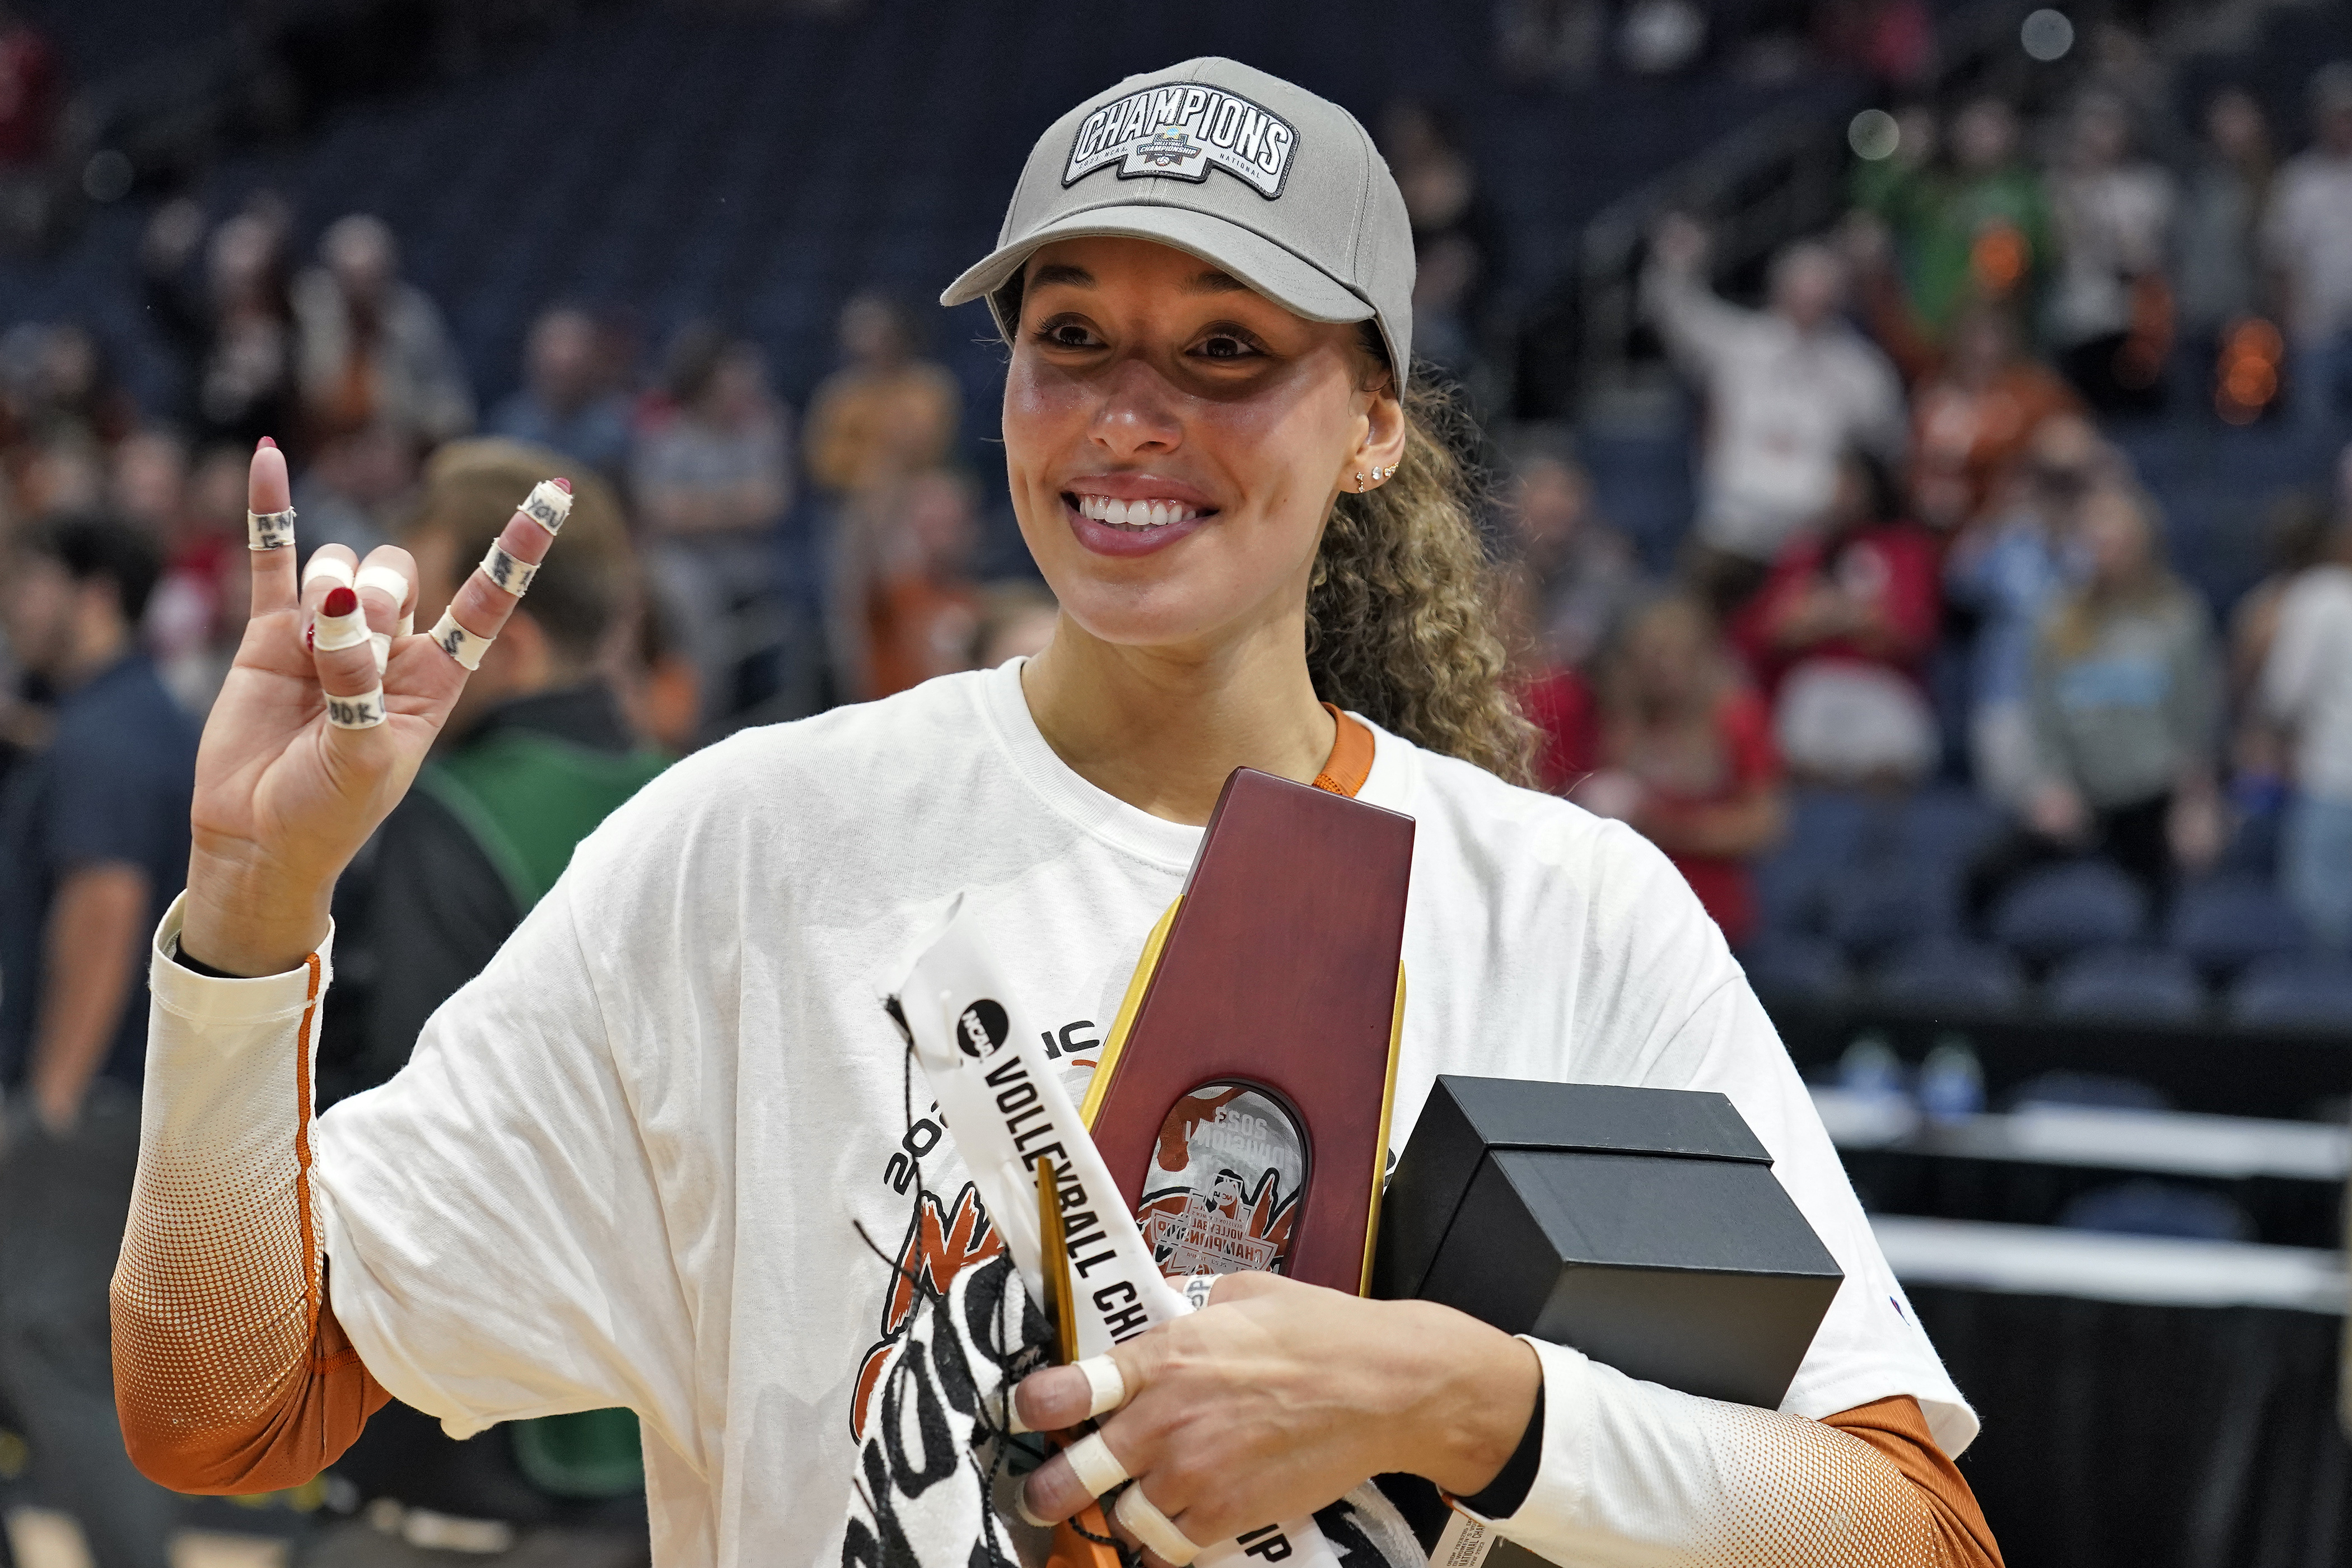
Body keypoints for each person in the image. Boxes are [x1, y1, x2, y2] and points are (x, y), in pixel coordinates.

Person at [113, 58, 1996, 1568]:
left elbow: (1912, 1531)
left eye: (1228, 353)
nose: (1124, 416)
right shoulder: (749, 853)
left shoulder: (1568, 911)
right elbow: (221, 1407)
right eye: (1070, 334)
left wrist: (1472, 1403)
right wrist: (250, 919)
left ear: (1372, 426)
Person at [309, 440, 662, 1562]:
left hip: (470, 1439)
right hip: (658, 1416)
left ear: (499, 628)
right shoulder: (699, 792)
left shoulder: (447, 819)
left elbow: (403, 1147)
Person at [0, 515, 195, 1568]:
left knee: (43, 1336)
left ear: (91, 597)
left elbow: (108, 908)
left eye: (30, 578)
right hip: (132, 1095)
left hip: (95, 1101)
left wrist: (55, 1098)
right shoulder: (120, 717)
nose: (12, 601)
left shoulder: (103, 740)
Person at [1971, 486, 2223, 916]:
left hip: (2149, 793)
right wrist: (2049, 785)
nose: (2104, 553)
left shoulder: (2177, 618)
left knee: (2163, 901)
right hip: (2077, 795)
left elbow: (2196, 719)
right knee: (1983, 879)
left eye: (2115, 542)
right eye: (2094, 542)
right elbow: (2044, 715)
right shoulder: (2056, 621)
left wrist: (2196, 803)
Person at [1646, 214, 1908, 612]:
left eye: (1821, 295)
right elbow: (1677, 315)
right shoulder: (1740, 345)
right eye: (1800, 292)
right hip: (1732, 525)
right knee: (1690, 619)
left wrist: (1854, 484)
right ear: (1779, 291)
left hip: (1811, 538)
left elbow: (1891, 438)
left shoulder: (1857, 368)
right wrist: (1675, 266)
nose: (1809, 304)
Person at [1546, 592, 1786, 945]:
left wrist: (1665, 826)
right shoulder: (1612, 722)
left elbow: (1763, 825)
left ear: (1704, 659)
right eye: (1651, 654)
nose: (1663, 667)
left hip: (1712, 917)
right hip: (1628, 917)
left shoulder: (1736, 721)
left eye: (1677, 653)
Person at [1732, 449, 1940, 787]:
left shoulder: (1905, 548)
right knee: (1799, 745)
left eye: (1850, 483)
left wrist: (1830, 619)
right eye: (1836, 483)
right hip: (1814, 684)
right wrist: (1850, 620)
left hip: (1884, 685)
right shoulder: (1805, 551)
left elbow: (1912, 633)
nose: (1840, 493)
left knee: (1894, 761)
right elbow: (1766, 632)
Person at [1944, 412, 2113, 804]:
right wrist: (2002, 505)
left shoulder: (2104, 538)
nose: (2060, 489)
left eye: (2071, 478)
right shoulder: (2007, 536)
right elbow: (1959, 581)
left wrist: (2109, 488)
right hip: (2010, 700)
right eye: (2050, 476)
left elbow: (2133, 585)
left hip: (2086, 702)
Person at [629, 327, 792, 727]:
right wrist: (733, 505)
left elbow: (770, 504)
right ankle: (698, 723)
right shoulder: (669, 435)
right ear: (706, 381)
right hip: (684, 564)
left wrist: (700, 508)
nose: (745, 385)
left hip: (748, 563)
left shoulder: (762, 429)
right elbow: (662, 512)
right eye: (734, 375)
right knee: (684, 593)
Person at [2043, 91, 2175, 414]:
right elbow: (2056, 251)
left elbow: (2145, 259)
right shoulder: (2059, 188)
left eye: (2108, 127)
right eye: (2091, 128)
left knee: (2137, 416)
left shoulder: (2148, 186)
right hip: (2079, 320)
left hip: (2136, 323)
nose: (2099, 137)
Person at [293, 214, 474, 449]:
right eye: (349, 279)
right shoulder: (309, 316)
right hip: (325, 456)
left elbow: (456, 410)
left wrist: (408, 425)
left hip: (398, 456)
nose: (359, 292)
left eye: (370, 279)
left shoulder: (415, 321)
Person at [2261, 509, 2352, 950]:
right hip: (2331, 775)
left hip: (2332, 781)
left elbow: (2284, 696)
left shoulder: (2315, 597)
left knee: (2323, 932)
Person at [1907, 301, 2080, 532]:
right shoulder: (1932, 401)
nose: (1982, 350)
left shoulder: (2029, 395)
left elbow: (2072, 439)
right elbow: (1913, 472)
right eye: (1974, 339)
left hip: (2010, 521)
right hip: (1938, 525)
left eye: (1991, 339)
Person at [801, 293, 960, 499]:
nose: (872, 344)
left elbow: (933, 446)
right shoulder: (838, 394)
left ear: (897, 335)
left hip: (920, 491)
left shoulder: (929, 385)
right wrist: (869, 472)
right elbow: (824, 461)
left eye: (878, 334)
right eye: (861, 333)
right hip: (851, 496)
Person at [2265, 63, 2352, 436]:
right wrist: (2291, 329)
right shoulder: (2298, 182)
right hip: (2319, 332)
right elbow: (2281, 260)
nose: (2344, 125)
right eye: (2336, 117)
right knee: (2317, 436)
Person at [1499, 436, 1637, 670]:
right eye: (1541, 491)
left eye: (1566, 493)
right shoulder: (1486, 566)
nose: (1556, 506)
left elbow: (1574, 649)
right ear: (1510, 505)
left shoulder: (1607, 566)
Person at [489, 307, 634, 480]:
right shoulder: (510, 423)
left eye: (573, 358)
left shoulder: (616, 429)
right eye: (553, 361)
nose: (563, 363)